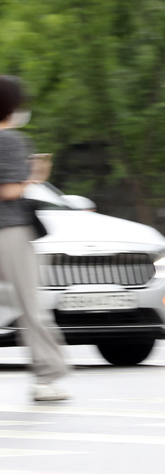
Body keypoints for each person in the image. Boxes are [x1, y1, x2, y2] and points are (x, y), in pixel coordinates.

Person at [0, 75, 70, 400]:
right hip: (10, 231)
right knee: (30, 306)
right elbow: (10, 191)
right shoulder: (12, 141)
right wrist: (35, 176)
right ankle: (47, 378)